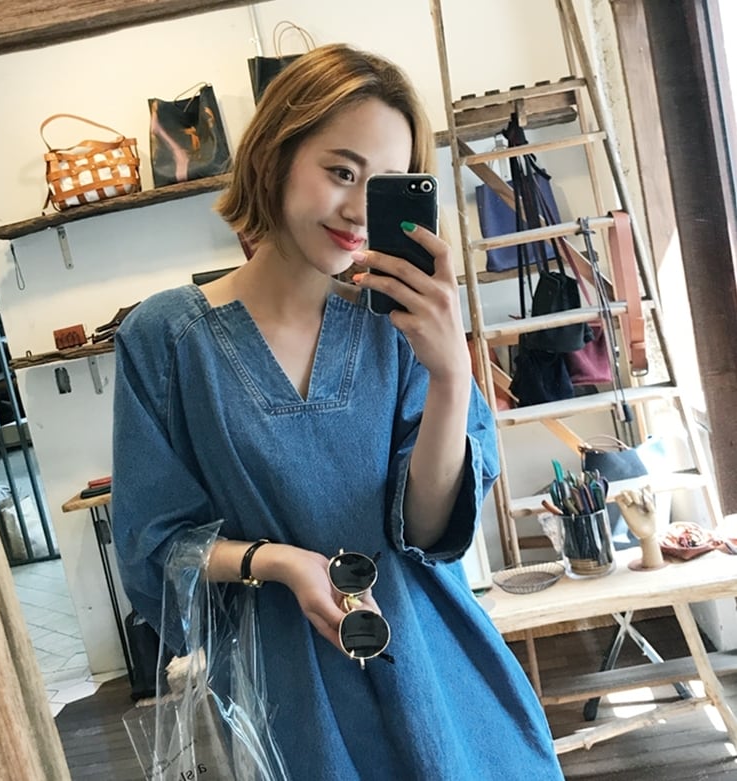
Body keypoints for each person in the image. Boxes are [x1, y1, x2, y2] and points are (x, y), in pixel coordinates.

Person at [113, 43, 563, 780]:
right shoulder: (166, 339)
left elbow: (428, 530)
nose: (358, 211)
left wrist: (450, 373)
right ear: (276, 156)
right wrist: (277, 561)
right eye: (342, 172)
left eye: (383, 186)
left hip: (439, 677)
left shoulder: (398, 331)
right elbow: (152, 545)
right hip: (290, 697)